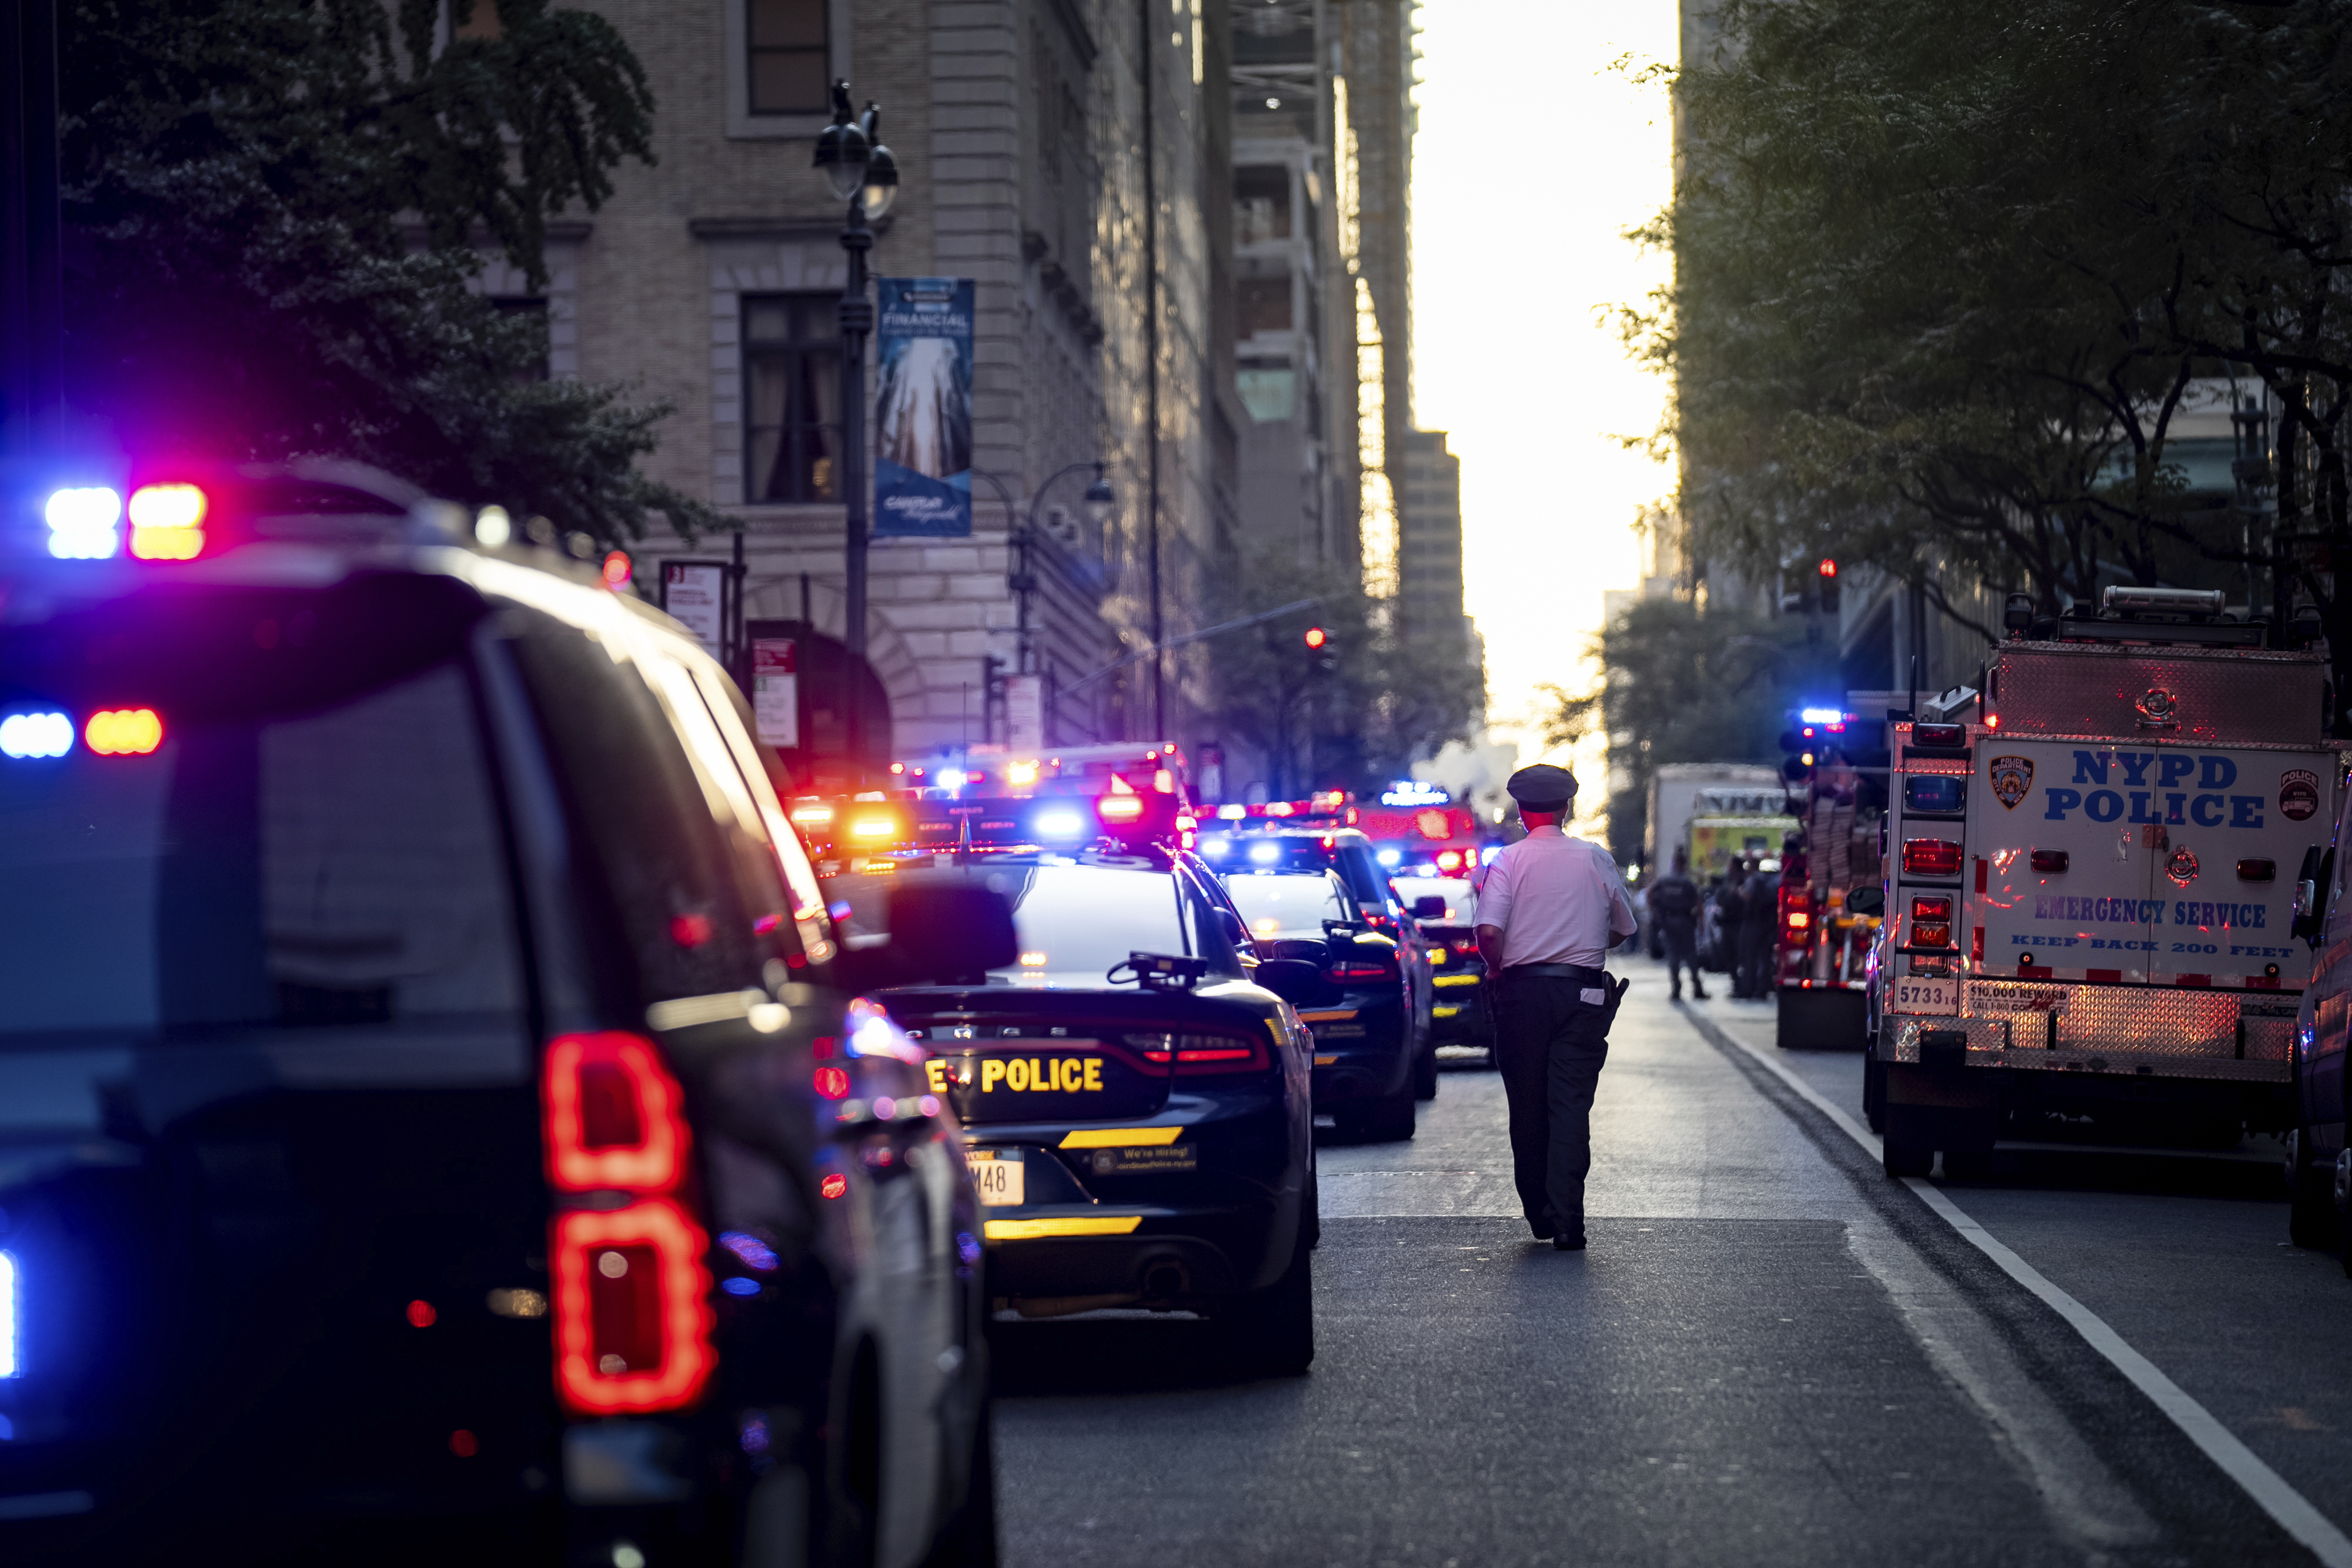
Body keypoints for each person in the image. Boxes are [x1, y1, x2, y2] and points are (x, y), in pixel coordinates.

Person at [1474, 764, 1638, 1252]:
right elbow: (1623, 928)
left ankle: (1540, 1212)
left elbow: (1488, 934)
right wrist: (1588, 939)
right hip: (1584, 997)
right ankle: (1569, 1220)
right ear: (1567, 807)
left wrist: (1498, 967)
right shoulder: (1595, 858)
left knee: (1527, 1104)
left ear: (1522, 812)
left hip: (1522, 996)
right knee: (1570, 1107)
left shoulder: (1507, 861)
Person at [1647, 850, 1706, 1001]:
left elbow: (1649, 894)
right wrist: (1701, 924)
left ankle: (1676, 990)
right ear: (1684, 865)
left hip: (1668, 922)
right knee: (1691, 956)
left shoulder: (1663, 880)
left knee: (1673, 957)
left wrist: (1654, 913)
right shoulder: (1687, 882)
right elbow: (1699, 903)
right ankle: (1697, 988)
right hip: (1685, 922)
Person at [1738, 854, 1779, 1000]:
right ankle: (1763, 989)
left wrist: (1740, 892)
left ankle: (1748, 989)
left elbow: (1748, 896)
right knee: (1765, 958)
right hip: (1767, 924)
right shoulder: (1769, 880)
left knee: (1749, 957)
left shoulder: (1752, 880)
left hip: (1752, 923)